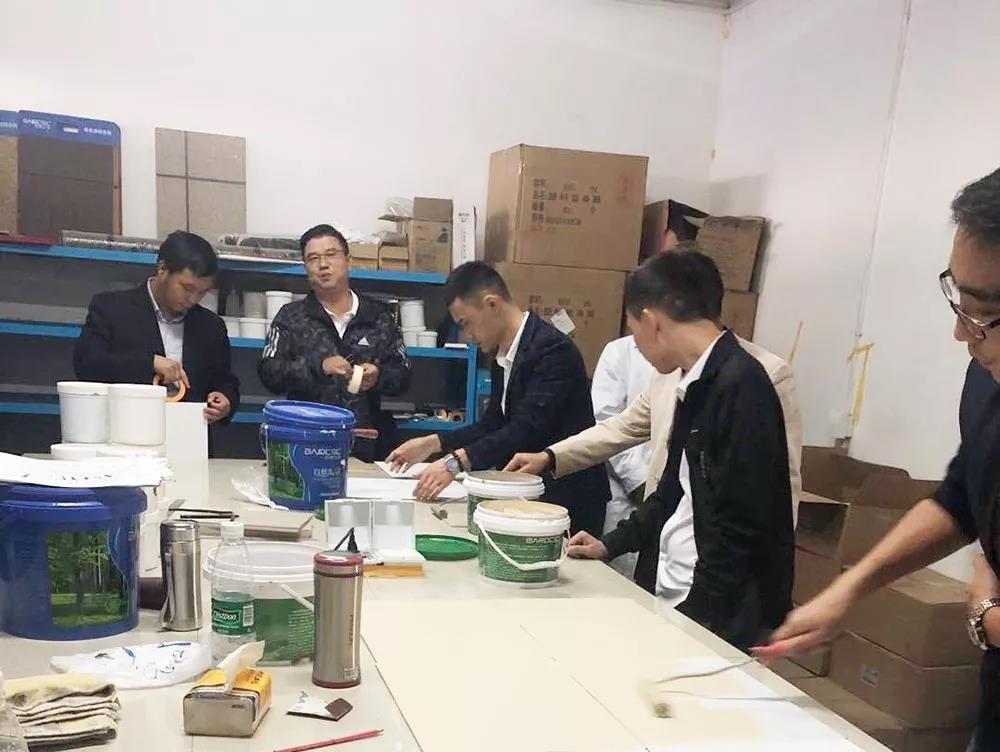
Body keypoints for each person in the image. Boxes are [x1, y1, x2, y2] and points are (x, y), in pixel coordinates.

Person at [763, 169, 1000, 751]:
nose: (961, 334)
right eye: (958, 301)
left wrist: (987, 611)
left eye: (981, 313)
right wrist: (851, 586)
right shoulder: (987, 378)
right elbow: (961, 498)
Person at [547, 250, 794, 650]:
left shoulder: (742, 387)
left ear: (652, 321)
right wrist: (611, 543)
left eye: (634, 333)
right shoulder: (694, 382)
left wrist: (697, 624)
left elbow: (740, 532)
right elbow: (672, 491)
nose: (638, 347)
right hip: (677, 593)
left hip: (713, 617)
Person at [508, 332, 802, 586]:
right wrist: (551, 456)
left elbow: (782, 482)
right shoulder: (669, 373)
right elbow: (623, 427)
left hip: (719, 563)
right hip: (660, 535)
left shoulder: (763, 373)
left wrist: (767, 576)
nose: (637, 344)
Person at [387, 261, 610, 537]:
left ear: (492, 304)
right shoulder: (503, 354)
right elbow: (493, 423)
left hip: (568, 499)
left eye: (466, 324)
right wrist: (432, 442)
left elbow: (524, 429)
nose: (468, 336)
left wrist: (454, 463)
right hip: (529, 496)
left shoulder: (552, 351)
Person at [258, 224, 411, 461]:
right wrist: (318, 367)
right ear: (305, 267)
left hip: (364, 444)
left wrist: (378, 376)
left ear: (347, 260)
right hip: (305, 442)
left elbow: (403, 375)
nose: (323, 264)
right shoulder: (290, 317)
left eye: (331, 254)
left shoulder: (378, 316)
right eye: (313, 258)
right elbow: (269, 372)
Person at [74, 230, 239, 424]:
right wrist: (149, 363)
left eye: (202, 292)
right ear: (162, 269)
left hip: (189, 432)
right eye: (187, 288)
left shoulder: (211, 326)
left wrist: (225, 399)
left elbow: (225, 380)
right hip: (125, 429)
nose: (193, 299)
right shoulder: (111, 309)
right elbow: (87, 364)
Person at [588, 336, 656, 576]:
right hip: (626, 490)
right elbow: (608, 425)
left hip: (670, 497)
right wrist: (640, 482)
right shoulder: (620, 352)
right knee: (623, 579)